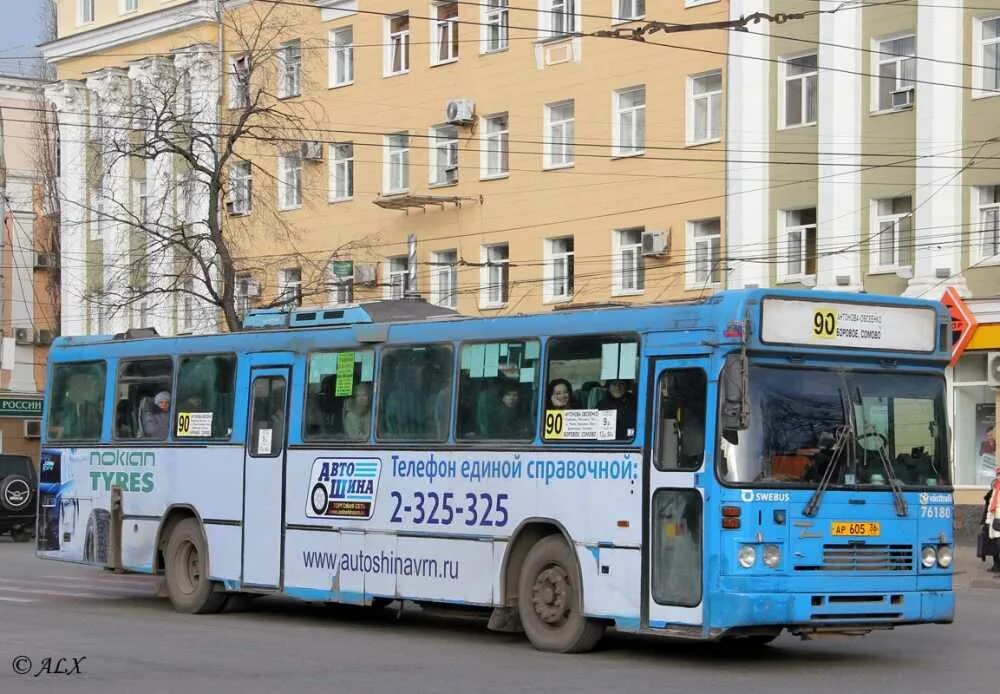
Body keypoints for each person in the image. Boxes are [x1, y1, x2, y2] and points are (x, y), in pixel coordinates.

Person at [979, 465, 1000, 574]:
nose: (999, 476)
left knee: (998, 544)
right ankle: (996, 565)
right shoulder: (995, 488)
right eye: (998, 474)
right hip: (993, 521)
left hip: (998, 521)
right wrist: (986, 521)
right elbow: (990, 505)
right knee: (994, 544)